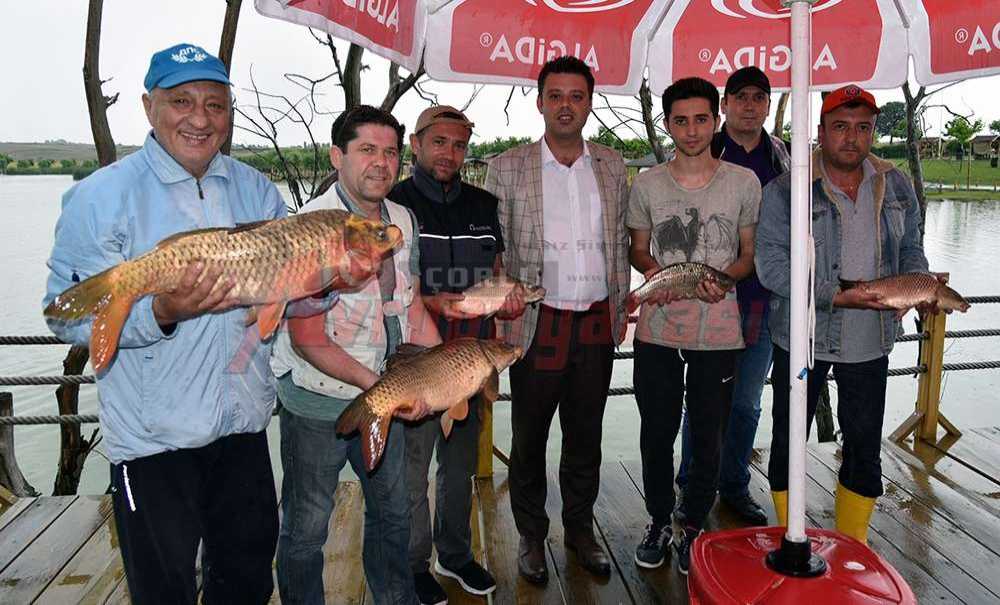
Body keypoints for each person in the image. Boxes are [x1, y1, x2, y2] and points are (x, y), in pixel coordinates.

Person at [42, 43, 339, 604]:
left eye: (215, 104)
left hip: (244, 432)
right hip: (154, 446)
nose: (200, 119)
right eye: (181, 101)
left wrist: (321, 287)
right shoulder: (99, 197)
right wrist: (159, 314)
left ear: (230, 112)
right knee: (164, 592)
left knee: (247, 582)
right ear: (148, 106)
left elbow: (278, 303)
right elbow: (66, 317)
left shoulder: (257, 190)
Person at [270, 105, 442, 605]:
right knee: (306, 527)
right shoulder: (309, 228)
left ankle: (395, 598)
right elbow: (308, 338)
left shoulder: (403, 220)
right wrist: (386, 388)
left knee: (393, 513)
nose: (381, 163)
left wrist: (443, 371)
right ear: (336, 156)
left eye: (390, 152)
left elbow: (407, 307)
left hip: (382, 395)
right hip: (318, 402)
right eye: (367, 150)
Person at [756, 84, 934, 543]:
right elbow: (771, 266)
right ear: (820, 132)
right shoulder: (786, 188)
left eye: (862, 128)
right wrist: (834, 295)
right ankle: (786, 539)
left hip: (870, 337)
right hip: (802, 335)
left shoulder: (895, 182)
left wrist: (913, 288)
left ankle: (853, 547)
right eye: (840, 127)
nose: (852, 138)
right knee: (788, 443)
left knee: (863, 446)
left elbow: (912, 248)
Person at [483, 56, 631, 584]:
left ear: (590, 101)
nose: (566, 105)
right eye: (556, 95)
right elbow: (493, 250)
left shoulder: (613, 165)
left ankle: (580, 530)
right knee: (528, 435)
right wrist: (501, 298)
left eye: (576, 95)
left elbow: (622, 243)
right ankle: (529, 533)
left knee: (585, 433)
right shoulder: (506, 167)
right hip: (536, 321)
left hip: (595, 318)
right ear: (540, 100)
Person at [388, 105, 524, 603]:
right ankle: (413, 562)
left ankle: (456, 552)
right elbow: (383, 287)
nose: (450, 153)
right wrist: (427, 301)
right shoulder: (394, 204)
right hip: (416, 358)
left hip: (474, 359)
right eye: (439, 142)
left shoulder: (485, 204)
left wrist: (508, 298)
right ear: (416, 144)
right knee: (411, 468)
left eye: (459, 144)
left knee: (460, 463)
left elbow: (498, 269)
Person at [627, 77, 761, 575]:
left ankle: (696, 525)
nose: (691, 130)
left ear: (715, 120)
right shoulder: (646, 184)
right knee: (656, 433)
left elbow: (747, 258)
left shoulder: (743, 183)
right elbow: (639, 250)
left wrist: (720, 280)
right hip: (657, 331)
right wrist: (656, 277)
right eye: (680, 120)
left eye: (701, 119)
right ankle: (660, 520)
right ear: (667, 124)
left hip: (719, 333)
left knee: (708, 435)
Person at [675, 66, 790, 527]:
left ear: (766, 104)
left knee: (746, 403)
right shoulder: (702, 146)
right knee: (702, 401)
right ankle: (690, 484)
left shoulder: (782, 157)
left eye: (758, 97)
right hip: (707, 299)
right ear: (724, 105)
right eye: (739, 96)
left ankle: (734, 483)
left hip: (762, 298)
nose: (749, 105)